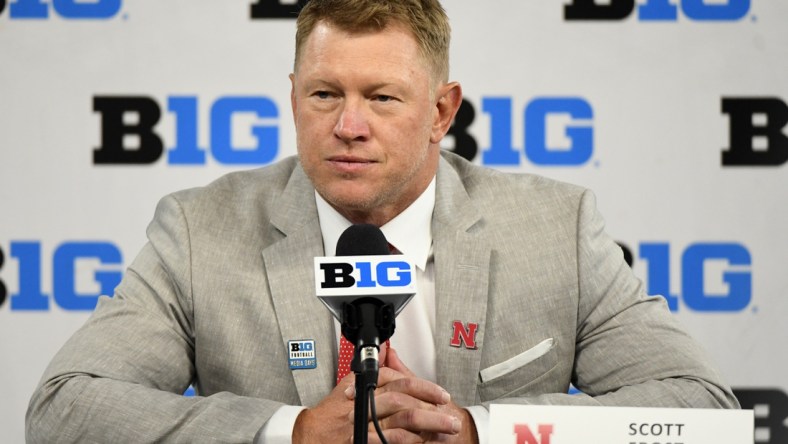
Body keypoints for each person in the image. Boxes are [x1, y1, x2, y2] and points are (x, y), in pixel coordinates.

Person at [26, 0, 739, 442]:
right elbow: (65, 411)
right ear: (293, 97)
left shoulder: (555, 228)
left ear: (441, 111)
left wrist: (478, 431)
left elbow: (702, 411)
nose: (349, 126)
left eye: (383, 97)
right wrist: (290, 433)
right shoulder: (198, 231)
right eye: (325, 93)